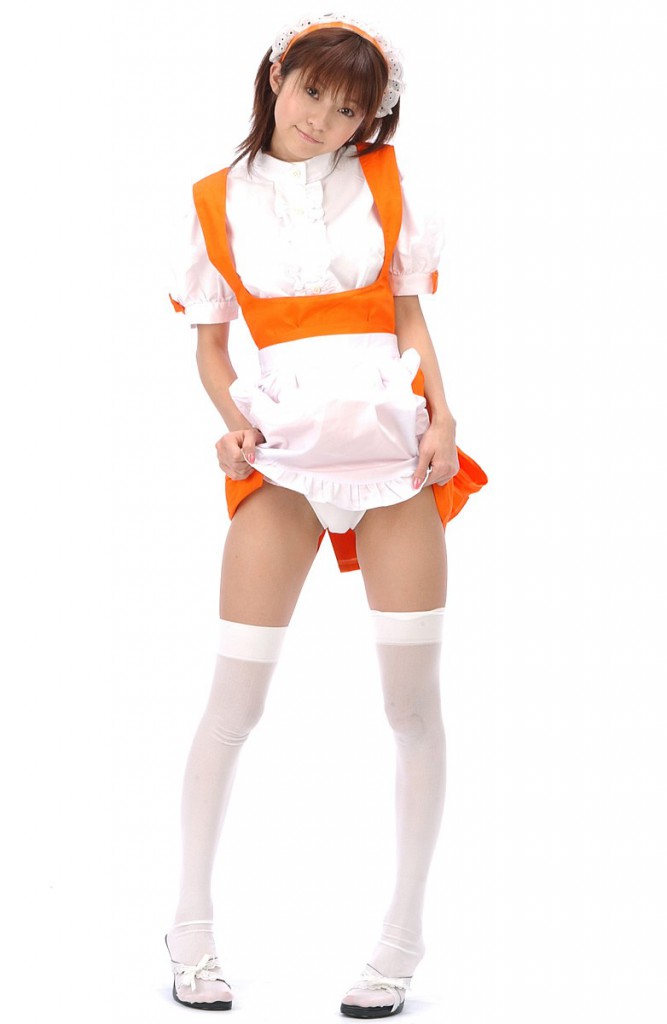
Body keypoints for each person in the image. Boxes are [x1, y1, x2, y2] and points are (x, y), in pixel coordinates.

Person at [166, 12, 488, 1018]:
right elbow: (211, 346)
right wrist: (232, 427)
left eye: (349, 111)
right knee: (234, 701)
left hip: (393, 454)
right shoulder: (214, 200)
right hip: (285, 459)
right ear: (277, 76)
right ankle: (189, 929)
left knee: (411, 706)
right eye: (312, 93)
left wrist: (445, 421)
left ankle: (401, 939)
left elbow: (407, 316)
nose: (323, 120)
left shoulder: (385, 185)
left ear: (368, 121)